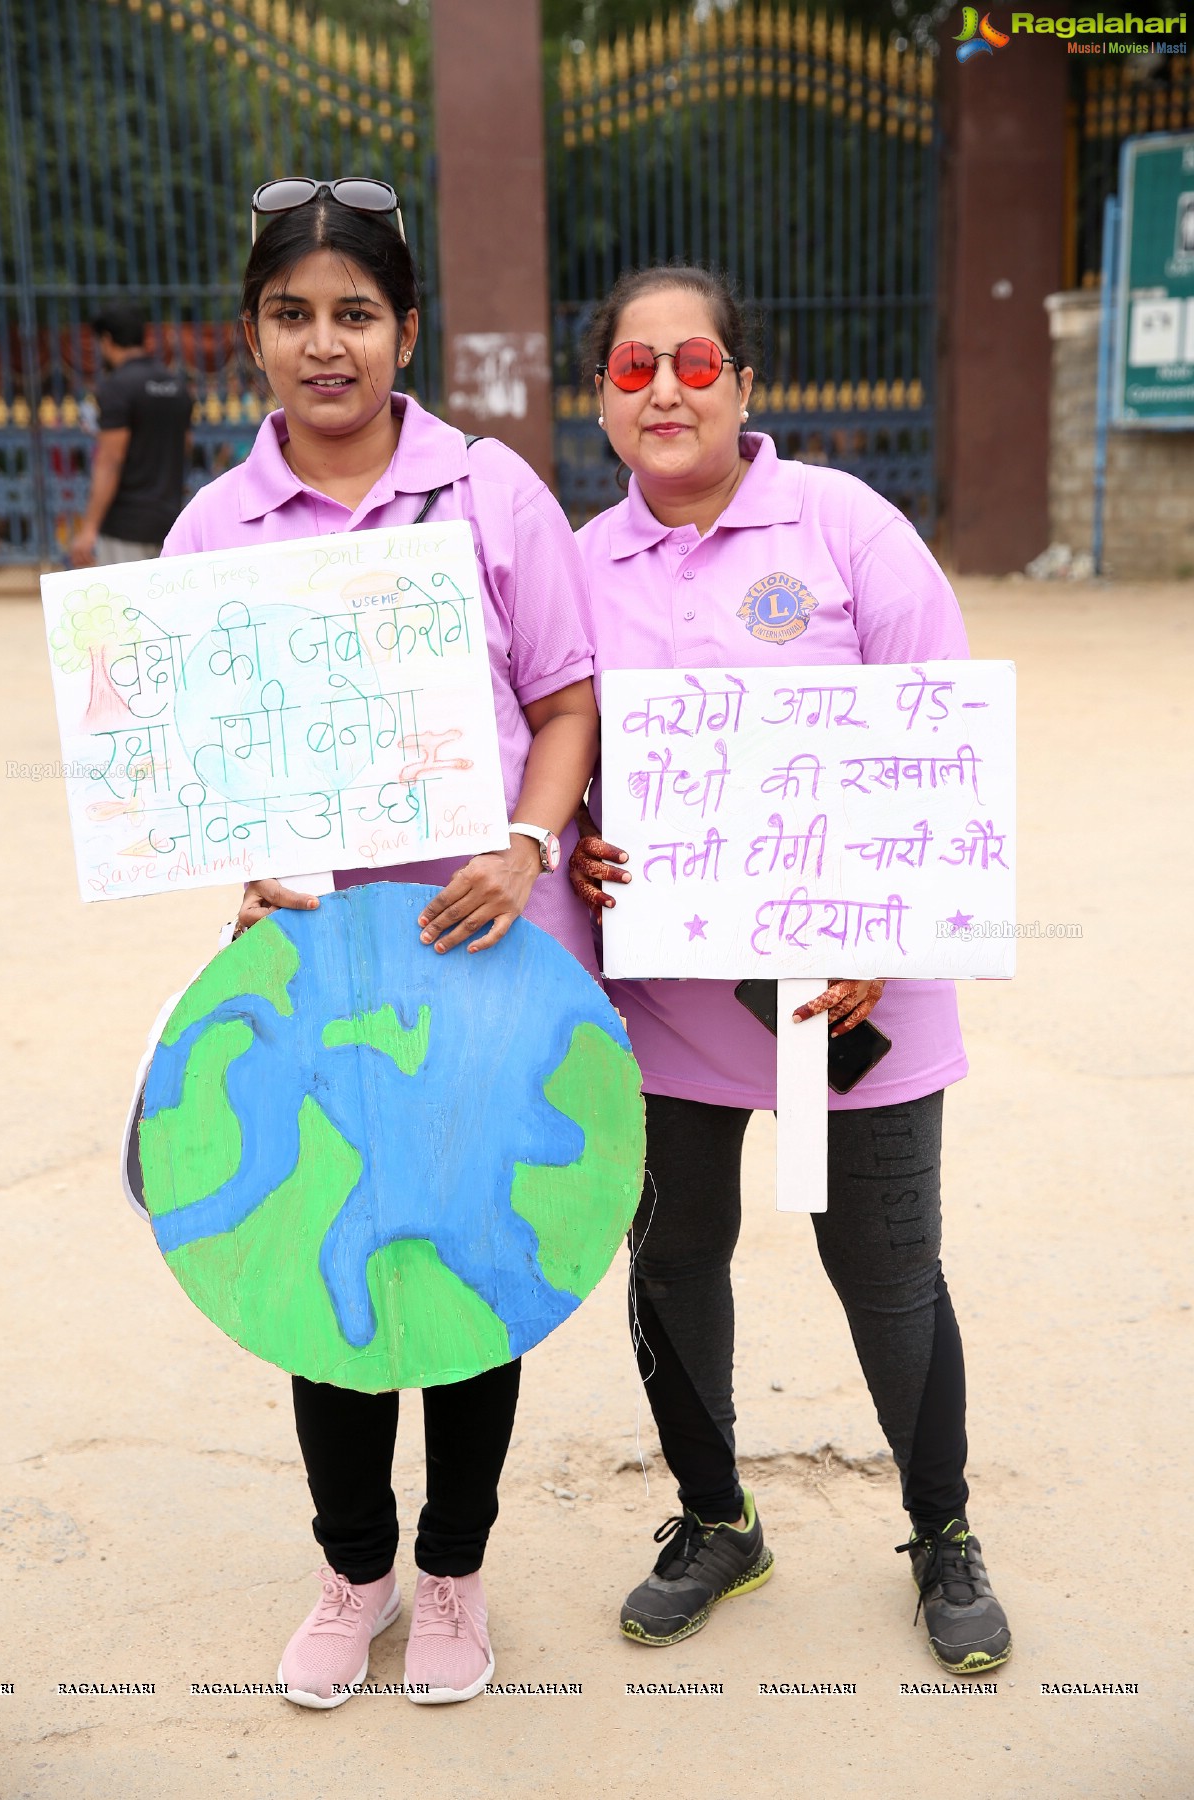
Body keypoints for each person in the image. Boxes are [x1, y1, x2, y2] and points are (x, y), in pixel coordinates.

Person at [161, 180, 600, 1708]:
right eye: (293, 314)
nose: (324, 344)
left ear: (405, 332)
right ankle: (354, 1574)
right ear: (255, 336)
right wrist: (247, 864)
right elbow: (197, 760)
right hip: (316, 978)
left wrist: (521, 846)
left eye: (355, 313)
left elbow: (561, 702)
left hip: (486, 961)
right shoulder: (216, 527)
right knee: (318, 1261)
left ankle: (457, 1575)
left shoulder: (490, 494)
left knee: (477, 1270)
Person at [568, 264, 1012, 1677]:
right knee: (674, 1254)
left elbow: (939, 728)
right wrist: (580, 849)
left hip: (852, 1001)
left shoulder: (843, 526)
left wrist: (886, 929)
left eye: (693, 362)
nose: (667, 392)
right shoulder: (579, 567)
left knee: (883, 1270)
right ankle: (717, 1521)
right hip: (670, 1013)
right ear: (602, 402)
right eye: (633, 371)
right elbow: (555, 758)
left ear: (744, 383)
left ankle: (942, 1531)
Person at [71, 301, 193, 567]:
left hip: (125, 526)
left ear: (107, 340)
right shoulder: (176, 385)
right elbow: (185, 446)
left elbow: (110, 460)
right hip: (169, 519)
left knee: (124, 606)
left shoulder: (117, 387)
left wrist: (89, 528)